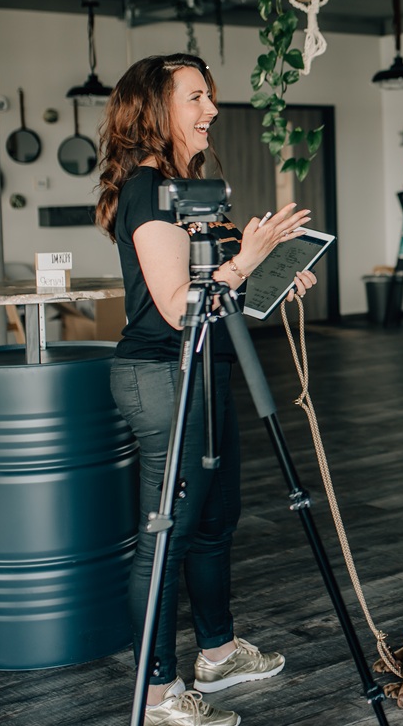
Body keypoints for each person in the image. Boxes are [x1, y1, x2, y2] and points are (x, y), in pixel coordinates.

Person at [95, 53, 316, 726]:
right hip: (162, 372)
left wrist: (269, 277)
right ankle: (158, 692)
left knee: (216, 522)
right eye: (196, 98)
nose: (211, 111)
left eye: (210, 97)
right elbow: (173, 303)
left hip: (208, 369)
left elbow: (219, 290)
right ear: (156, 110)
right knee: (168, 533)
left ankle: (217, 656)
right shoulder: (145, 189)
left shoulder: (195, 189)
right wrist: (245, 259)